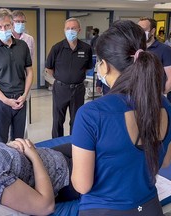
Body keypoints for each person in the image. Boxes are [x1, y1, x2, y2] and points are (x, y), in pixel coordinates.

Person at [71, 20, 171, 216]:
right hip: (149, 207)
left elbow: (82, 185)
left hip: (104, 210)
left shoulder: (92, 114)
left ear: (105, 65)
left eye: (98, 62)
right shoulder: (164, 105)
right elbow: (165, 161)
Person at [0, 8, 33, 143]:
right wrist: (5, 100)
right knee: (0, 141)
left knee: (19, 140)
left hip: (20, 100)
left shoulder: (22, 46)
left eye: (7, 25)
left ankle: (19, 163)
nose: (3, 29)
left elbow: (29, 72)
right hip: (0, 102)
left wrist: (24, 95)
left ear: (12, 24)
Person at [45, 17, 93, 138]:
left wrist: (75, 76)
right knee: (58, 120)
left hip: (78, 90)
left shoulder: (86, 48)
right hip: (61, 89)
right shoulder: (57, 48)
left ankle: (74, 144)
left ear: (79, 30)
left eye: (73, 28)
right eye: (68, 28)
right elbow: (49, 69)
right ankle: (56, 145)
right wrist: (61, 79)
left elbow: (87, 67)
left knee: (76, 120)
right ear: (64, 30)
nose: (70, 31)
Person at [138, 17, 171, 102]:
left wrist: (160, 94)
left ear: (152, 31)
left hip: (157, 97)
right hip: (138, 95)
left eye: (143, 29)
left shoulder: (164, 49)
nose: (140, 33)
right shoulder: (136, 49)